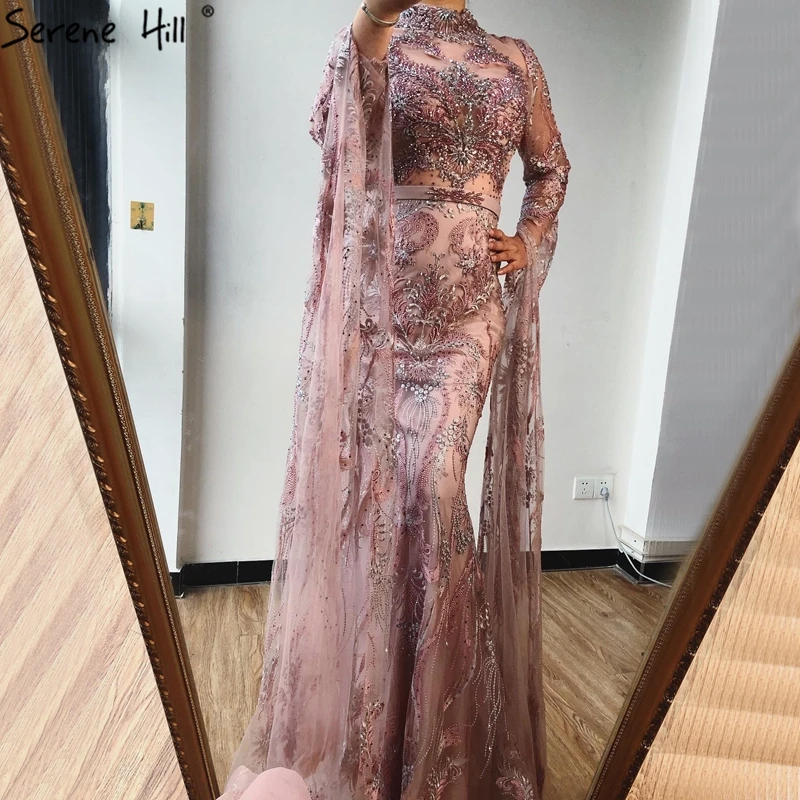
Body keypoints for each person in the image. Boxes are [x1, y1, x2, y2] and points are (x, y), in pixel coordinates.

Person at [223, 1, 570, 798]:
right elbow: (336, 129)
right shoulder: (374, 39)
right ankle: (372, 727)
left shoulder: (515, 59)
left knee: (434, 487)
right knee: (379, 505)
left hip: (467, 319)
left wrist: (527, 240)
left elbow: (551, 168)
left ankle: (440, 738)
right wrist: (374, 19)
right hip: (381, 316)